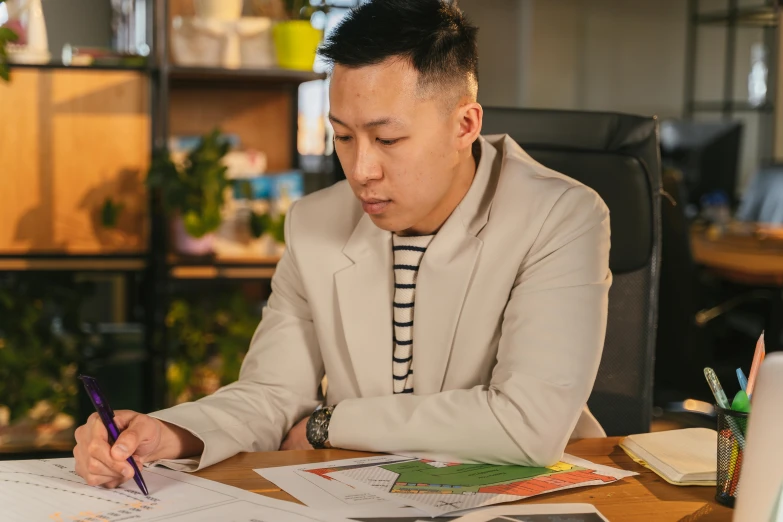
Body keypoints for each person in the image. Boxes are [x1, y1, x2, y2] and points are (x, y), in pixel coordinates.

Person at [73, 0, 611, 489]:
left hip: (520, 499)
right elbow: (272, 393)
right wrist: (169, 433)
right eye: (344, 136)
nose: (360, 170)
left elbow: (525, 425)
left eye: (388, 139)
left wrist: (330, 423)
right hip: (364, 494)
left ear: (464, 125)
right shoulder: (314, 222)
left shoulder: (560, 216)